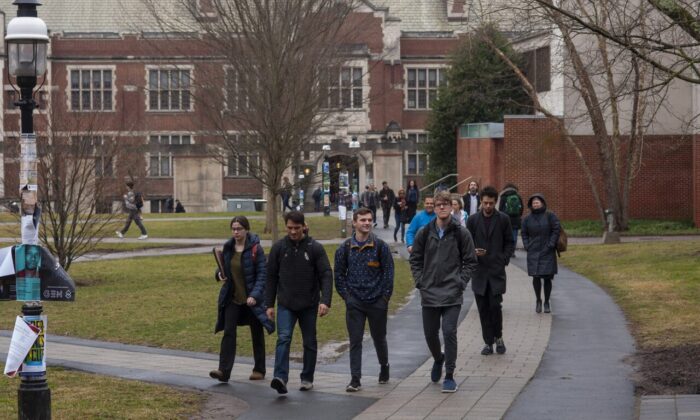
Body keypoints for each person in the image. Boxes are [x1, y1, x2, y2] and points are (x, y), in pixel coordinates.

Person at [410, 191, 478, 393]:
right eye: (438, 204)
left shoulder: (461, 233)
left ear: (452, 207)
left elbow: (471, 261)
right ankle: (438, 359)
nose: (441, 207)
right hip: (429, 291)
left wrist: (461, 281)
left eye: (445, 204)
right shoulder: (425, 232)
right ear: (434, 207)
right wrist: (420, 281)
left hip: (452, 292)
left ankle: (449, 375)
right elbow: (415, 259)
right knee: (430, 334)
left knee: (449, 332)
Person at [265, 211, 333, 394]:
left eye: (296, 228)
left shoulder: (314, 248)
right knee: (283, 338)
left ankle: (307, 377)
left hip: (309, 303)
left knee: (309, 341)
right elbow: (270, 276)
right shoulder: (279, 248)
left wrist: (325, 300)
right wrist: (269, 304)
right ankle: (280, 377)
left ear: (304, 226)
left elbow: (326, 274)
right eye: (289, 228)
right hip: (286, 302)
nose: (293, 232)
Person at [334, 208, 394, 392]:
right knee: (355, 340)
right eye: (362, 220)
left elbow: (389, 274)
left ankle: (384, 366)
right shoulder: (344, 248)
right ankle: (355, 379)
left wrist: (384, 298)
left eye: (369, 220)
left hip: (377, 301)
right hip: (355, 302)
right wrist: (347, 297)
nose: (367, 223)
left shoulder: (381, 246)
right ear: (354, 223)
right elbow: (339, 274)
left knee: (379, 337)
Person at [210, 216, 275, 383]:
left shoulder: (256, 249)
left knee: (256, 332)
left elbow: (262, 275)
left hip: (252, 299)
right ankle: (223, 371)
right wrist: (219, 275)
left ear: (246, 229)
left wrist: (254, 295)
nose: (236, 232)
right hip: (233, 298)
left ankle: (259, 369)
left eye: (239, 229)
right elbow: (222, 268)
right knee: (229, 332)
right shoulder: (229, 247)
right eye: (233, 229)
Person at [466, 186, 515, 356]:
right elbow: (466, 243)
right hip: (479, 271)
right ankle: (488, 342)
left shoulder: (503, 219)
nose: (488, 206)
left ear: (495, 203)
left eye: (491, 203)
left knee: (495, 306)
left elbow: (510, 241)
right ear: (481, 202)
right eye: (485, 203)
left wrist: (504, 258)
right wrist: (472, 253)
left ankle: (498, 336)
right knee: (483, 309)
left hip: (496, 270)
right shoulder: (472, 220)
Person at [521, 194, 561, 314]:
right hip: (533, 251)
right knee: (536, 277)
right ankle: (538, 300)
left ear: (542, 203)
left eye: (537, 202)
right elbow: (524, 233)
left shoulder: (550, 215)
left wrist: (551, 244)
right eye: (533, 202)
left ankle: (547, 302)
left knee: (547, 277)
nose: (535, 204)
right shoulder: (527, 219)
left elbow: (556, 229)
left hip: (547, 250)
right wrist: (527, 245)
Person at [498, 183, 524, 257]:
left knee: (504, 235)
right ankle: (512, 252)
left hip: (505, 219)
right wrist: (518, 216)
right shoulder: (518, 196)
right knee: (514, 236)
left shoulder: (503, 196)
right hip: (516, 220)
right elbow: (521, 208)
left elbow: (500, 209)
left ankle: (505, 250)